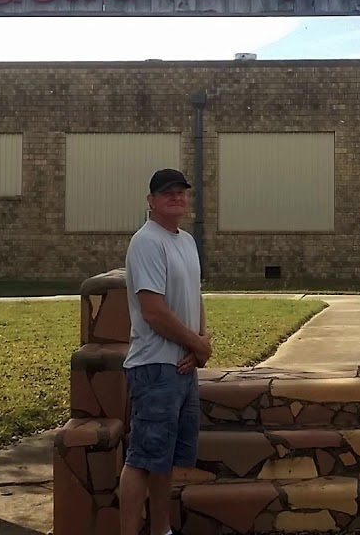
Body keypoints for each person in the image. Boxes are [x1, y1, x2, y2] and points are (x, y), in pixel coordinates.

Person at [119, 168, 210, 535]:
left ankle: (162, 529)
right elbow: (153, 310)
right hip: (155, 367)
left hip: (182, 367)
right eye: (166, 192)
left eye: (181, 191)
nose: (175, 197)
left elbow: (195, 297)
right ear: (151, 201)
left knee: (164, 459)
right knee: (142, 459)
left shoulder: (185, 241)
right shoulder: (146, 242)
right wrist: (195, 343)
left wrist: (200, 341)